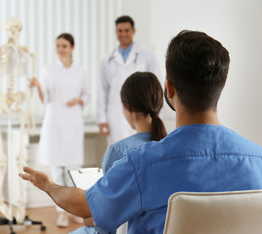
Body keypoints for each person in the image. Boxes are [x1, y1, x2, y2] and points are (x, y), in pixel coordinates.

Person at [19, 30, 262, 233]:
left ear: (169, 89)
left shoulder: (144, 163)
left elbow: (86, 208)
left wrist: (49, 185)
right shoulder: (258, 160)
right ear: (221, 86)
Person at [70, 71, 167, 234]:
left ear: (128, 107)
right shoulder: (172, 144)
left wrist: (91, 214)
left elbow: (107, 221)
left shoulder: (119, 151)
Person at [30, 33, 90, 227]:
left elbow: (87, 95)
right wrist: (38, 87)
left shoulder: (80, 71)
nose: (60, 49)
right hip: (54, 122)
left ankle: (74, 209)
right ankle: (61, 212)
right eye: (57, 46)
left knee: (73, 170)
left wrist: (79, 100)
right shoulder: (48, 70)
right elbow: (44, 98)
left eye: (64, 46)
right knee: (57, 170)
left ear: (72, 47)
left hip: (72, 123)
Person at [97, 15, 162, 145]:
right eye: (120, 31)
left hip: (142, 115)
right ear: (116, 32)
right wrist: (102, 118)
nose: (123, 34)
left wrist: (156, 113)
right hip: (115, 116)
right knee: (117, 153)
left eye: (127, 30)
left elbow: (157, 86)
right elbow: (102, 90)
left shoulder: (147, 57)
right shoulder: (107, 60)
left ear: (133, 31)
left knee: (141, 151)